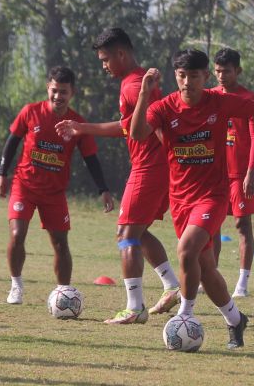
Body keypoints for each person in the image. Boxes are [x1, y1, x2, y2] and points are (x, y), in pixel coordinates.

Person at [129, 49, 254, 349]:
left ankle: (185, 316)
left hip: (212, 196)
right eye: (182, 75)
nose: (188, 82)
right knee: (205, 269)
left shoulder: (219, 102)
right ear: (175, 77)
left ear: (205, 77)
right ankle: (235, 319)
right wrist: (144, 93)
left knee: (186, 249)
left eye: (194, 76)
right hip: (180, 199)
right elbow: (138, 133)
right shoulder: (165, 107)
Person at [55, 28, 181, 324]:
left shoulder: (132, 86)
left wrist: (82, 128)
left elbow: (138, 128)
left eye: (105, 59)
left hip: (149, 168)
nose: (103, 66)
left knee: (125, 235)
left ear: (121, 54)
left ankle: (134, 307)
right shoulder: (136, 83)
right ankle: (171, 285)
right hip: (158, 167)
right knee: (138, 232)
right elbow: (133, 126)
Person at [0, 66, 114, 304]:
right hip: (24, 186)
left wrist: (103, 189)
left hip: (55, 193)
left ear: (72, 93)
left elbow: (90, 158)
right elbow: (12, 142)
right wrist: (2, 173)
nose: (58, 96)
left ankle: (64, 294)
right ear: (47, 88)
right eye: (54, 90)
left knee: (60, 243)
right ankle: (16, 285)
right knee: (17, 234)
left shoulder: (78, 123)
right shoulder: (31, 112)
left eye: (63, 92)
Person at [209, 47, 254, 298]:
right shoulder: (210, 96)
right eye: (217, 71)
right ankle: (211, 275)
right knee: (212, 225)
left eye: (226, 71)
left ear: (237, 71)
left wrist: (251, 171)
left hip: (240, 174)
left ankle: (243, 283)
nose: (221, 76)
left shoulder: (248, 98)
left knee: (242, 225)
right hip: (215, 172)